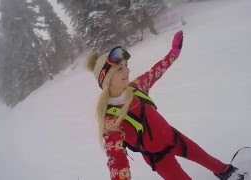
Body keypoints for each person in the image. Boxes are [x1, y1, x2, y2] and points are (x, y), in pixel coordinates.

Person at [86, 30, 237, 180]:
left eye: (125, 65)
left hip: (175, 137)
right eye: (120, 68)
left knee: (207, 159)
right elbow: (116, 160)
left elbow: (157, 70)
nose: (127, 69)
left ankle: (226, 172)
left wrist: (174, 53)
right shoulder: (111, 119)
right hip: (160, 160)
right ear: (106, 80)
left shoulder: (136, 87)